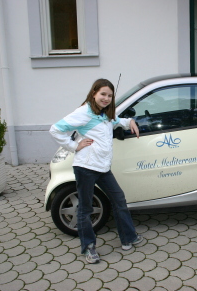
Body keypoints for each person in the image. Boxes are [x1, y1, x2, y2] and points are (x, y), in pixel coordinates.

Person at [50, 78, 143, 264]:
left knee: (119, 199)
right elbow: (55, 129)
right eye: (102, 94)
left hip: (102, 167)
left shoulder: (104, 113)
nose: (106, 98)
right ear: (94, 93)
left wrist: (129, 121)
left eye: (109, 95)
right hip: (86, 167)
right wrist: (74, 146)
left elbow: (116, 120)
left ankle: (128, 238)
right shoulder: (84, 112)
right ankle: (88, 248)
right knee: (85, 209)